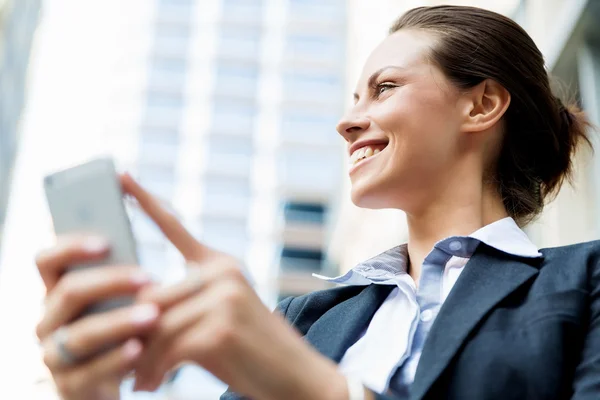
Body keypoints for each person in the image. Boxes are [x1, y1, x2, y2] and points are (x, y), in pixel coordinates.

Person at [35, 5, 599, 400]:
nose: (347, 122)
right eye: (355, 96)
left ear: (481, 106)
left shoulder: (586, 281)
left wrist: (324, 392)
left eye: (385, 88)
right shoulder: (306, 322)